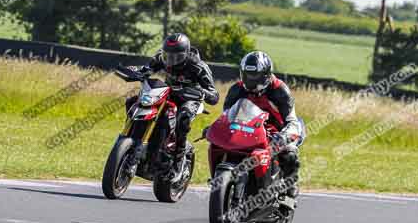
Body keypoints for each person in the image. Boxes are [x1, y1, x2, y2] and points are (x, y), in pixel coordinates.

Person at [129, 33, 219, 175]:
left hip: (190, 98)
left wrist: (201, 92)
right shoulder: (162, 57)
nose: (170, 61)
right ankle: (133, 139)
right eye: (168, 56)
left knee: (183, 118)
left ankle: (178, 161)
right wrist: (138, 72)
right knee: (134, 101)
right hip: (169, 92)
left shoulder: (199, 66)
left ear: (186, 54)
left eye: (176, 57)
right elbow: (148, 68)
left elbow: (214, 96)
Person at [223, 51, 303, 197]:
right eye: (247, 75)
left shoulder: (280, 90)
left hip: (277, 131)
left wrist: (285, 136)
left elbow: (292, 120)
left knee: (290, 153)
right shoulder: (237, 89)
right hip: (248, 128)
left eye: (255, 76)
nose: (250, 80)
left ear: (266, 75)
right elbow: (225, 115)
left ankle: (291, 183)